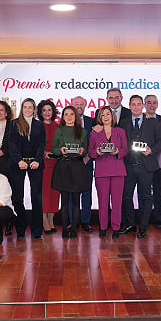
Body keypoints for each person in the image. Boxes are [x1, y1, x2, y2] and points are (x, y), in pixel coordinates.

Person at [118, 95, 161, 238]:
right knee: (126, 197)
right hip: (128, 166)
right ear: (130, 106)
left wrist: (151, 150)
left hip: (146, 167)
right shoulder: (123, 123)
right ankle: (131, 224)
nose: (136, 107)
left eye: (139, 104)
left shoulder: (153, 122)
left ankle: (143, 226)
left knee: (145, 197)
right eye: (133, 104)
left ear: (143, 106)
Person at [8, 98, 45, 240]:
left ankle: (37, 230)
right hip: (18, 165)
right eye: (25, 107)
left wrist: (37, 160)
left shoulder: (39, 125)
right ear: (21, 108)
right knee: (18, 197)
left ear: (34, 109)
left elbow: (41, 145)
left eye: (31, 107)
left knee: (36, 196)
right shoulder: (14, 124)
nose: (28, 109)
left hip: (35, 164)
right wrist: (19, 160)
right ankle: (21, 228)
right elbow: (12, 144)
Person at [88, 106, 127, 238]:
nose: (106, 117)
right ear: (100, 117)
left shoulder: (120, 131)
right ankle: (103, 227)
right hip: (102, 171)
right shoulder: (94, 133)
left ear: (112, 116)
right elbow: (90, 151)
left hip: (118, 171)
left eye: (108, 114)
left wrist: (118, 152)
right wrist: (97, 152)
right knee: (103, 201)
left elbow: (125, 149)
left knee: (117, 201)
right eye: (103, 115)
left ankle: (116, 227)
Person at [51, 106, 90, 238]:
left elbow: (85, 149)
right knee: (64, 201)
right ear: (63, 117)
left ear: (76, 116)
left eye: (71, 114)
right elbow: (54, 150)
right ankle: (64, 229)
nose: (69, 117)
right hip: (63, 167)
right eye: (66, 114)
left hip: (77, 167)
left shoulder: (83, 132)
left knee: (76, 201)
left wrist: (82, 152)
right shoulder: (59, 131)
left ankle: (73, 229)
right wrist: (60, 151)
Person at [36, 99, 60, 234]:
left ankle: (51, 220)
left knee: (55, 192)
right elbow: (34, 144)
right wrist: (43, 153)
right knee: (44, 193)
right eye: (44, 110)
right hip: (43, 164)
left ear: (53, 112)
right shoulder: (37, 126)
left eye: (49, 110)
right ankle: (44, 221)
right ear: (40, 112)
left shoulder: (57, 126)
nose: (47, 113)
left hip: (56, 164)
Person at [72, 96, 94, 232]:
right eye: (76, 104)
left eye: (81, 104)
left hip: (87, 162)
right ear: (72, 105)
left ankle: (86, 221)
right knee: (70, 194)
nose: (79, 106)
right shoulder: (66, 121)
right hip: (71, 163)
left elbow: (95, 141)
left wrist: (88, 156)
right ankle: (72, 221)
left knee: (87, 192)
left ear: (85, 106)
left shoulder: (91, 122)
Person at [145, 94, 161, 226]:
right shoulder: (139, 119)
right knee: (144, 192)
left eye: (154, 102)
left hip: (159, 162)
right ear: (144, 105)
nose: (152, 105)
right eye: (149, 102)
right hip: (143, 162)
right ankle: (143, 219)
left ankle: (159, 218)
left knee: (158, 191)